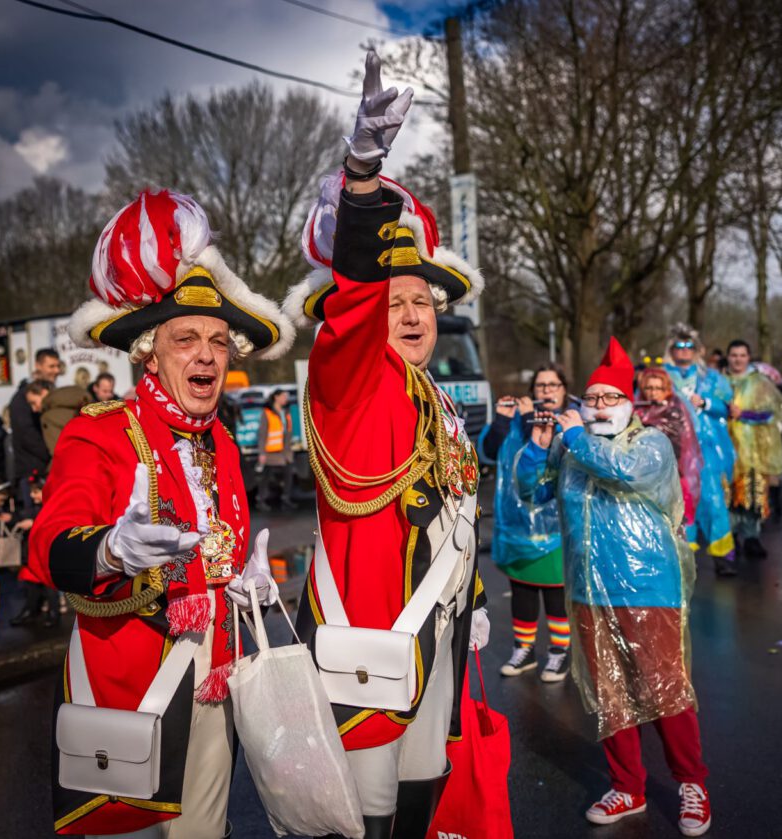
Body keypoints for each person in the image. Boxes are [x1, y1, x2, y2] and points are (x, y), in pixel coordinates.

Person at [27, 187, 294, 837]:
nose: (205, 353)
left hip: (213, 678)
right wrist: (112, 550)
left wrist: (241, 582)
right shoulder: (99, 433)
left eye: (217, 340)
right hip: (130, 689)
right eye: (185, 339)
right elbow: (49, 546)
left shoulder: (222, 441)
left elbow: (218, 548)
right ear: (149, 350)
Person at [282, 51, 489, 839]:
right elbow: (356, 304)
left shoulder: (435, 396)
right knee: (361, 820)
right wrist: (362, 176)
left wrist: (467, 600)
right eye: (393, 302)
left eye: (421, 301)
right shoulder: (354, 379)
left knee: (419, 805)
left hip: (431, 640)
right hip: (364, 650)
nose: (409, 314)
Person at [516, 338, 711, 837]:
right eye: (591, 398)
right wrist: (538, 451)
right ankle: (628, 785)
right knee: (611, 693)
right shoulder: (573, 445)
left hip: (649, 589)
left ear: (628, 404)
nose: (599, 407)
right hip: (587, 589)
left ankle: (692, 784)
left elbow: (623, 473)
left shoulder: (650, 443)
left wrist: (576, 439)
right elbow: (531, 493)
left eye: (609, 398)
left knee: (665, 689)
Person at [482, 364, 571, 682]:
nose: (547, 390)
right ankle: (525, 650)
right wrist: (504, 421)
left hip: (556, 528)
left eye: (553, 385)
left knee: (556, 591)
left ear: (564, 390)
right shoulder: (517, 422)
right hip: (517, 525)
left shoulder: (571, 424)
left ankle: (560, 652)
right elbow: (489, 452)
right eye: (541, 385)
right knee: (522, 590)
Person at [662, 324, 737, 575]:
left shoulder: (712, 377)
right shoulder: (659, 377)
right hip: (674, 450)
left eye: (689, 346)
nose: (684, 351)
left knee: (714, 500)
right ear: (671, 349)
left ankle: (723, 556)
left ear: (697, 350)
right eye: (679, 346)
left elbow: (728, 407)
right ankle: (684, 557)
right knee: (680, 503)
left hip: (707, 450)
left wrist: (706, 402)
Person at [725, 339, 782, 558]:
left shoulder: (760, 383)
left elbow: (774, 412)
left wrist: (744, 415)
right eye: (734, 355)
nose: (737, 359)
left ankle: (752, 536)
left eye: (742, 355)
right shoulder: (717, 381)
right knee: (728, 492)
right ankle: (730, 536)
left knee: (753, 492)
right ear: (728, 357)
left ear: (748, 357)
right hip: (725, 446)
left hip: (753, 447)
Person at [635, 367, 703, 530]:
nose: (653, 393)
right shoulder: (637, 409)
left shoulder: (674, 410)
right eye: (649, 388)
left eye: (658, 388)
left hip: (672, 474)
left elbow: (682, 444)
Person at [10, 471, 62, 627]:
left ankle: (54, 612)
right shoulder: (38, 507)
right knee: (32, 584)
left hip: (47, 553)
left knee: (48, 585)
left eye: (36, 492)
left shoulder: (54, 506)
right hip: (35, 553)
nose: (32, 496)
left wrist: (33, 523)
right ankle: (32, 610)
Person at [9, 349, 60, 507]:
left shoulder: (54, 394)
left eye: (58, 366)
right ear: (38, 366)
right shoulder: (22, 399)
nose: (56, 371)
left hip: (49, 470)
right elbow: (27, 435)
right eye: (51, 366)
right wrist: (54, 452)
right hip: (33, 473)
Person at [255, 388, 296, 512]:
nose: (286, 399)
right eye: (283, 396)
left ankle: (286, 498)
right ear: (276, 397)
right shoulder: (267, 413)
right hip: (270, 452)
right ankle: (261, 500)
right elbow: (262, 433)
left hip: (284, 451)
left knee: (288, 474)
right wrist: (262, 452)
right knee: (266, 476)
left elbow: (287, 432)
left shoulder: (286, 412)